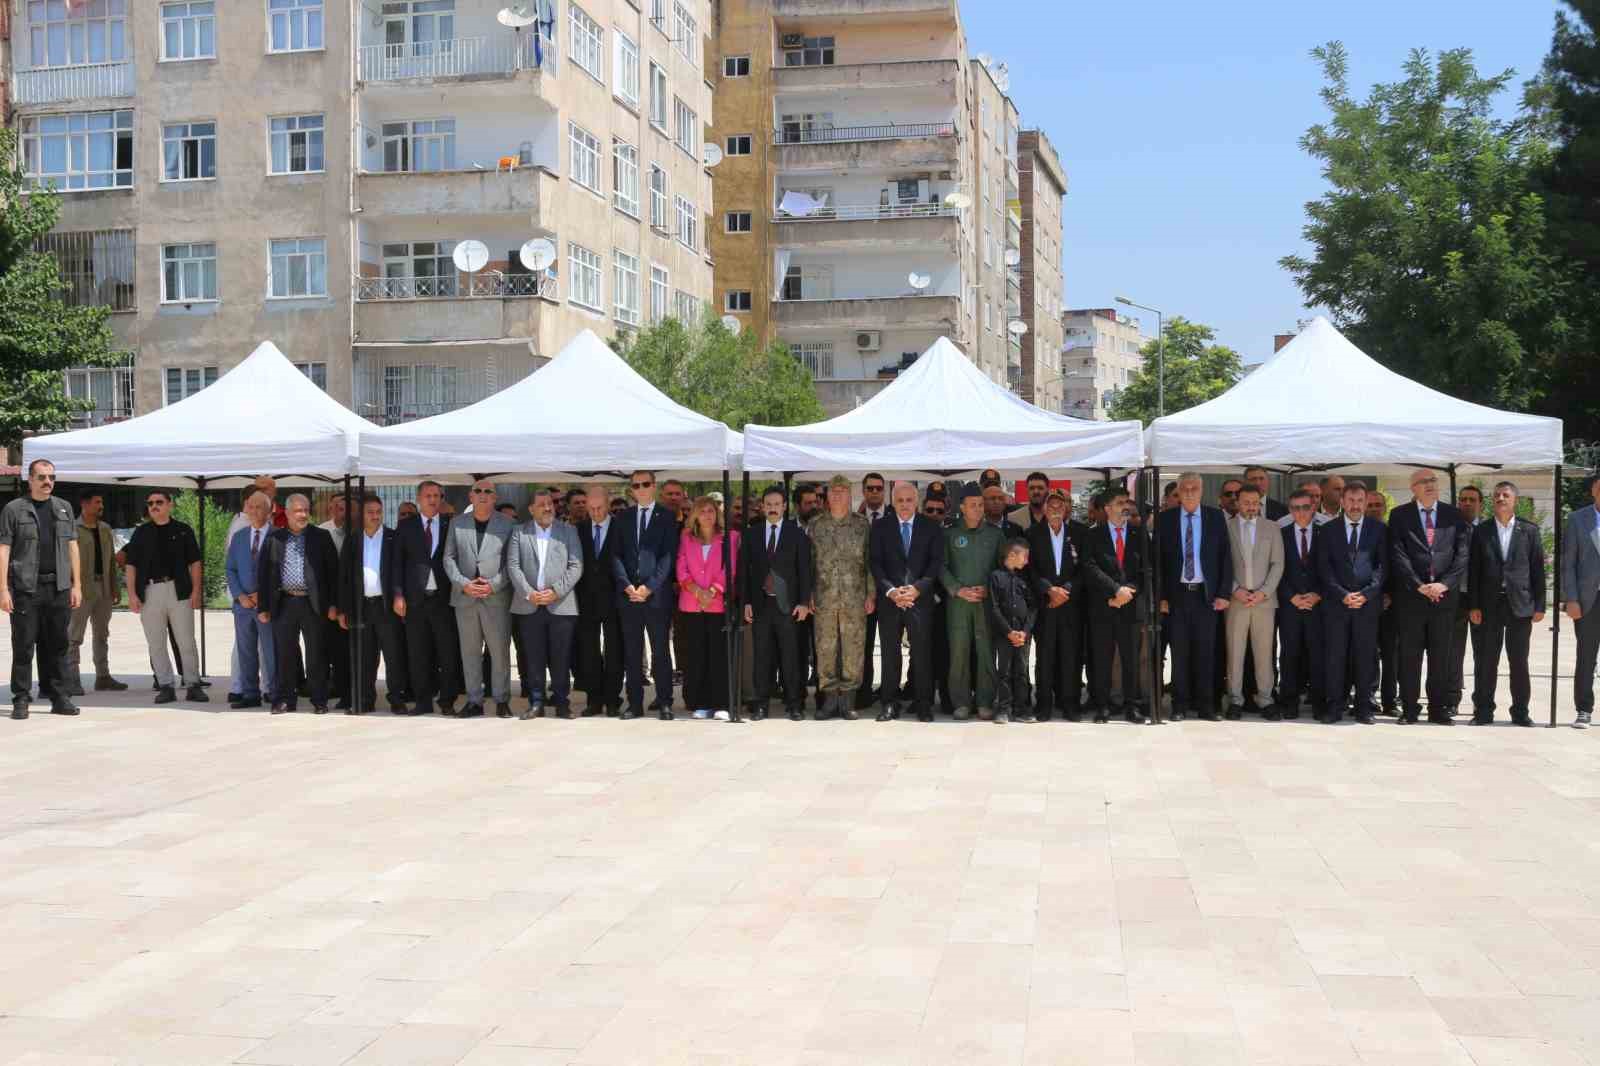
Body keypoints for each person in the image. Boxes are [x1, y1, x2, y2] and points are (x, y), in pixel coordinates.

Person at [0, 459, 82, 718]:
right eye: (42, 477)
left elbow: (72, 548)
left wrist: (76, 584)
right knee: (24, 646)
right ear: (30, 480)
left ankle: (59, 697)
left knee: (58, 645)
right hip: (26, 589)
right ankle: (21, 699)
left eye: (52, 477)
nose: (48, 482)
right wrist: (3, 589)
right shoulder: (14, 509)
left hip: (58, 588)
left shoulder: (64, 508)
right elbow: (4, 550)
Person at [1388, 468, 1470, 725]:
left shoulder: (1453, 515)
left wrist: (1443, 585)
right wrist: (1419, 585)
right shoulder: (1399, 516)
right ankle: (1410, 708)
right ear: (1413, 487)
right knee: (1410, 656)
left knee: (1441, 655)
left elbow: (1462, 555)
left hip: (1444, 600)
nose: (1431, 485)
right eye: (1424, 482)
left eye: (1434, 480)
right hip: (1412, 599)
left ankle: (1437, 708)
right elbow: (1398, 554)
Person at [1156, 473, 1233, 721]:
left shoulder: (1215, 517)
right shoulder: (1165, 519)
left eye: (1194, 488)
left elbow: (1225, 558)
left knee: (1206, 653)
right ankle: (1179, 704)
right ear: (1178, 492)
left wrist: (1223, 593)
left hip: (1205, 596)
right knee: (1180, 653)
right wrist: (1161, 596)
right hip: (1177, 596)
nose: (1189, 492)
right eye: (1185, 489)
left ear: (1201, 491)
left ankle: (1206, 705)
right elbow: (1157, 562)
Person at [1466, 481, 1543, 726]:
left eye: (1506, 495)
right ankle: (1483, 711)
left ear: (1515, 500)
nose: (1501, 498)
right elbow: (1474, 571)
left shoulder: (1529, 531)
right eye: (1497, 495)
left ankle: (1520, 712)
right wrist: (1473, 605)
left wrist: (1539, 605)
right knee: (1486, 660)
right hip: (1488, 605)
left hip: (1519, 605)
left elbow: (1537, 570)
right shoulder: (1482, 531)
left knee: (1519, 661)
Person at [256, 494, 339, 714]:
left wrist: (333, 605)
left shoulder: (321, 537)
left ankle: (319, 699)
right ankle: (285, 699)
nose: (302, 514)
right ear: (287, 513)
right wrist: (263, 607)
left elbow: (334, 574)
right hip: (284, 603)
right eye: (297, 511)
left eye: (305, 510)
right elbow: (264, 575)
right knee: (285, 655)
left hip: (313, 604)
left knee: (316, 654)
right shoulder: (275, 539)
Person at [870, 481, 943, 722]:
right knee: (890, 654)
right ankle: (889, 704)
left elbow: (935, 564)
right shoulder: (880, 527)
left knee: (922, 654)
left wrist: (916, 589)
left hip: (919, 600)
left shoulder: (931, 527)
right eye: (899, 500)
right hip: (890, 600)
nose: (904, 505)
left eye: (909, 500)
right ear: (893, 502)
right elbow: (876, 563)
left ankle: (923, 704)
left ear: (917, 502)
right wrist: (891, 592)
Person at [442, 479, 515, 719]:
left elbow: (512, 563)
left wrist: (493, 585)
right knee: (469, 652)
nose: (483, 495)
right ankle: (474, 700)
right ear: (470, 497)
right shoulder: (457, 523)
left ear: (494, 497)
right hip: (465, 598)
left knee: (499, 652)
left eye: (488, 492)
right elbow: (448, 559)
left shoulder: (508, 525)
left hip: (496, 598)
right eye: (478, 491)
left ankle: (502, 699)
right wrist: (464, 584)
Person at [123, 489, 204, 705]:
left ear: (170, 505)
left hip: (179, 591)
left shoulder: (183, 530)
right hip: (150, 592)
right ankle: (166, 685)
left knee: (186, 640)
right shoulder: (141, 533)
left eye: (159, 502)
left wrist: (196, 591)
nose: (154, 506)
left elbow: (195, 562)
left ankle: (193, 684)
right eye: (150, 503)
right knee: (156, 642)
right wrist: (131, 594)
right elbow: (131, 566)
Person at [508, 488, 583, 719]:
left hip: (561, 605)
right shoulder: (518, 533)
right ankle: (536, 702)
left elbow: (576, 566)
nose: (547, 508)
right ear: (531, 509)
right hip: (529, 605)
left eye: (550, 503)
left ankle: (562, 703)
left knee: (561, 657)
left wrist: (555, 592)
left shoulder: (568, 531)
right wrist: (530, 593)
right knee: (533, 656)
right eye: (541, 504)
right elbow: (513, 566)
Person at [1317, 480, 1386, 724]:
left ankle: (1364, 707)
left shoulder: (1379, 529)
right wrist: (1342, 594)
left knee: (1366, 657)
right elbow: (1324, 569)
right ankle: (1334, 706)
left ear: (1365, 502)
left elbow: (1382, 567)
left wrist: (1366, 594)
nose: (1355, 505)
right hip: (1337, 605)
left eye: (1360, 501)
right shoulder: (1327, 531)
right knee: (1335, 657)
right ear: (1343, 502)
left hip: (1367, 606)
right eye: (1351, 500)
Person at [741, 486, 812, 720]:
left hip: (789, 607)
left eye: (776, 504)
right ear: (763, 507)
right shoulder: (752, 534)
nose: (772, 508)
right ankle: (761, 704)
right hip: (761, 606)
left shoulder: (797, 534)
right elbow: (744, 573)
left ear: (784, 507)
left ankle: (794, 704)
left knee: (790, 657)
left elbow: (804, 571)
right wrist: (746, 602)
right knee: (762, 657)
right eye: (768, 504)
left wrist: (803, 602)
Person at [808, 475, 874, 721]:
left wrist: (871, 593)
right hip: (824, 598)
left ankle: (847, 702)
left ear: (850, 495)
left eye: (842, 491)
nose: (837, 495)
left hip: (854, 598)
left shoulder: (862, 525)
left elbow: (869, 562)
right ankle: (828, 701)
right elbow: (809, 563)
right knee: (825, 649)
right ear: (827, 496)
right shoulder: (816, 525)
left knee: (853, 649)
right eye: (833, 491)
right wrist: (809, 593)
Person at [614, 470, 678, 719]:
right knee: (631, 652)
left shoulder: (667, 517)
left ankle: (664, 702)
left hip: (656, 596)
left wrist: (649, 587)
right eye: (636, 485)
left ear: (654, 486)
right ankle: (635, 704)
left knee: (660, 651)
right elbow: (615, 555)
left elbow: (667, 557)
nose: (640, 488)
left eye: (645, 484)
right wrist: (626, 585)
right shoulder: (623, 518)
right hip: (629, 596)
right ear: (632, 489)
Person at [337, 494, 409, 714]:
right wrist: (342, 610)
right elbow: (344, 577)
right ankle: (365, 700)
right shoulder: (353, 539)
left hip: (385, 606)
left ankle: (396, 699)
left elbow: (399, 570)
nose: (375, 516)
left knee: (393, 656)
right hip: (361, 608)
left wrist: (399, 596)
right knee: (365, 657)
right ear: (362, 514)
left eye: (378, 512)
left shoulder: (392, 538)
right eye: (371, 512)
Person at [394, 481, 461, 716]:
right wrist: (398, 594)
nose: (433, 499)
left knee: (448, 652)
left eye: (436, 495)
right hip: (415, 600)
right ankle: (422, 701)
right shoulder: (406, 526)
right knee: (418, 653)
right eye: (428, 495)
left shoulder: (451, 523)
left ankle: (447, 701)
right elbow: (397, 563)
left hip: (444, 599)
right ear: (419, 498)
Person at [1083, 487, 1145, 724]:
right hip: (1103, 605)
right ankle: (1102, 706)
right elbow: (1089, 567)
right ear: (1107, 509)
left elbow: (1144, 570)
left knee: (1130, 659)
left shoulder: (1138, 534)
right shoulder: (1093, 535)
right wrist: (1114, 590)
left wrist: (1128, 591)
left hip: (1129, 605)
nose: (1125, 506)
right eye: (1120, 503)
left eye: (1127, 501)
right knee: (1102, 659)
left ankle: (1132, 706)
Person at [942, 484, 1003, 721]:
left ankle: (986, 701)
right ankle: (961, 702)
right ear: (961, 508)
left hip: (985, 603)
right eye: (972, 505)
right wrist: (957, 590)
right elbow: (941, 566)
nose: (978, 509)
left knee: (986, 651)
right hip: (958, 603)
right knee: (959, 652)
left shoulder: (995, 534)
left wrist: (990, 588)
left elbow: (1003, 568)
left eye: (980, 505)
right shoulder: (950, 533)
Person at [674, 495, 737, 721]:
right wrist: (697, 591)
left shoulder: (730, 537)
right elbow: (681, 567)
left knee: (718, 657)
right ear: (695, 516)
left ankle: (721, 703)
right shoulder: (686, 537)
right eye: (702, 511)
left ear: (717, 513)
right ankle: (700, 702)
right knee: (696, 656)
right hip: (692, 605)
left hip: (717, 604)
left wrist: (711, 591)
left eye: (711, 510)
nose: (707, 515)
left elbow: (730, 569)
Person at [1027, 488, 1087, 722]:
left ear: (1066, 509)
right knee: (1045, 656)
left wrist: (1067, 590)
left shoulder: (1078, 534)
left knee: (1071, 656)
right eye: (1051, 506)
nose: (1055, 510)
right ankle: (1043, 704)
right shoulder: (1032, 534)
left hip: (1071, 605)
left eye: (1060, 506)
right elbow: (1029, 570)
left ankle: (1070, 703)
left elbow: (1084, 568)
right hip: (1046, 605)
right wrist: (1049, 590)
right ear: (1044, 508)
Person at [1224, 484, 1284, 719]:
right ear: (1237, 503)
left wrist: (1264, 592)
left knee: (1264, 652)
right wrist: (1235, 590)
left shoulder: (1272, 528)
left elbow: (1278, 563)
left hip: (1264, 601)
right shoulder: (1225, 528)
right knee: (1235, 652)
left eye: (1255, 503)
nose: (1251, 507)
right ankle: (1235, 699)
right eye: (1246, 502)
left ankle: (1265, 699)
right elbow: (1220, 563)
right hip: (1236, 600)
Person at [67, 490, 126, 695]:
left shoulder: (105, 529)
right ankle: (72, 680)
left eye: (101, 502)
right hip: (81, 589)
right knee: (74, 637)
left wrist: (115, 587)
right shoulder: (72, 529)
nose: (101, 506)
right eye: (97, 502)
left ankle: (103, 676)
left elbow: (110, 560)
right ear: (84, 504)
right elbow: (66, 562)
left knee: (102, 634)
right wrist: (71, 588)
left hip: (104, 588)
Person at [224, 491, 276, 710]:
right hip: (243, 605)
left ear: (269, 510)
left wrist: (263, 595)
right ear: (246, 508)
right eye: (251, 507)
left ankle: (274, 692)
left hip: (268, 605)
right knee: (245, 651)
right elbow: (230, 568)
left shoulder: (277, 536)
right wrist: (240, 595)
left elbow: (281, 571)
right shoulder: (239, 536)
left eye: (260, 507)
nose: (255, 511)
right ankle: (250, 693)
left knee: (271, 650)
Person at [574, 484, 623, 716]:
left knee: (614, 650)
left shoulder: (620, 527)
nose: (594, 512)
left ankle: (613, 699)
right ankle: (594, 699)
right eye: (590, 508)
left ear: (608, 504)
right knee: (589, 651)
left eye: (599, 508)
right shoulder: (578, 529)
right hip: (586, 600)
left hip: (614, 599)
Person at [1276, 489, 1323, 719]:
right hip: (1290, 606)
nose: (1301, 512)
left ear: (1313, 507)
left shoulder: (1326, 533)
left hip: (1318, 606)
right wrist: (1291, 596)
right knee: (1289, 655)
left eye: (1305, 507)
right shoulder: (1280, 534)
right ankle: (1289, 702)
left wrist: (1318, 594)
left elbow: (1331, 568)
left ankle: (1319, 703)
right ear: (1290, 510)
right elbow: (1276, 570)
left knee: (1318, 655)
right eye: (1296, 508)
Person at [1561, 472, 1600, 729]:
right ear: (1593, 490)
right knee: (1586, 656)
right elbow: (1568, 564)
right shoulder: (1577, 519)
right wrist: (1571, 599)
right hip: (1588, 601)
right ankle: (1583, 709)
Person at [987, 538, 1037, 724]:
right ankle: (1004, 708)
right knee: (1005, 671)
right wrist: (1008, 631)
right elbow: (993, 608)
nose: (1026, 561)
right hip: (1003, 633)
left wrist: (1024, 631)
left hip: (1023, 635)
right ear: (1012, 555)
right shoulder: (995, 577)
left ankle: (1022, 708)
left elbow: (1033, 607)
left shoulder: (1025, 578)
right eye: (1024, 556)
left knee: (1022, 671)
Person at [914, 494, 955, 714]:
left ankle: (947, 698)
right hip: (919, 601)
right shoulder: (915, 532)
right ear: (923, 510)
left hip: (944, 603)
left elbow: (946, 567)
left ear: (946, 513)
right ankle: (922, 698)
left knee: (945, 652)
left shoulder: (948, 534)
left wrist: (938, 595)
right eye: (930, 510)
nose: (935, 515)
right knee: (921, 653)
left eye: (940, 511)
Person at [853, 472, 889, 712]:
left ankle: (889, 692)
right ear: (864, 491)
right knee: (863, 646)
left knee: (890, 646)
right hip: (861, 594)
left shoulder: (896, 516)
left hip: (889, 592)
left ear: (884, 491)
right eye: (870, 488)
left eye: (878, 488)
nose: (874, 492)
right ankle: (863, 693)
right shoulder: (854, 520)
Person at [1448, 485, 1485, 717]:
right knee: (1453, 653)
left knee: (1483, 653)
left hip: (1481, 600)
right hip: (1455, 598)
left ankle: (1481, 702)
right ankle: (1452, 699)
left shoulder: (1489, 530)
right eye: (1463, 499)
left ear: (1480, 503)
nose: (1467, 503)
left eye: (1472, 499)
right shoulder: (1449, 529)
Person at [317, 494, 353, 709]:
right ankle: (339, 689)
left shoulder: (356, 532)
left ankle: (353, 691)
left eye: (345, 507)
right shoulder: (322, 531)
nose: (342, 511)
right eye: (337, 507)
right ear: (331, 509)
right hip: (331, 599)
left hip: (352, 597)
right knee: (334, 650)